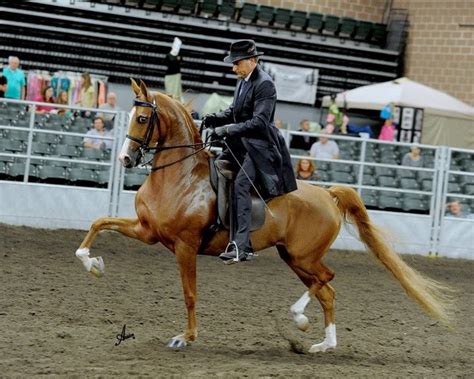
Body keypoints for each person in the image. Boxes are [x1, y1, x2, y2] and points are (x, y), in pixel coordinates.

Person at [201, 39, 297, 262]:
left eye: (237, 63)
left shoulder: (265, 84)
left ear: (252, 60)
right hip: (240, 143)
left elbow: (259, 122)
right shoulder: (243, 80)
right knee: (214, 169)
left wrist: (226, 129)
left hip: (259, 147)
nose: (233, 68)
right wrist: (215, 118)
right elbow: (235, 110)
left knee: (242, 184)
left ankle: (241, 245)